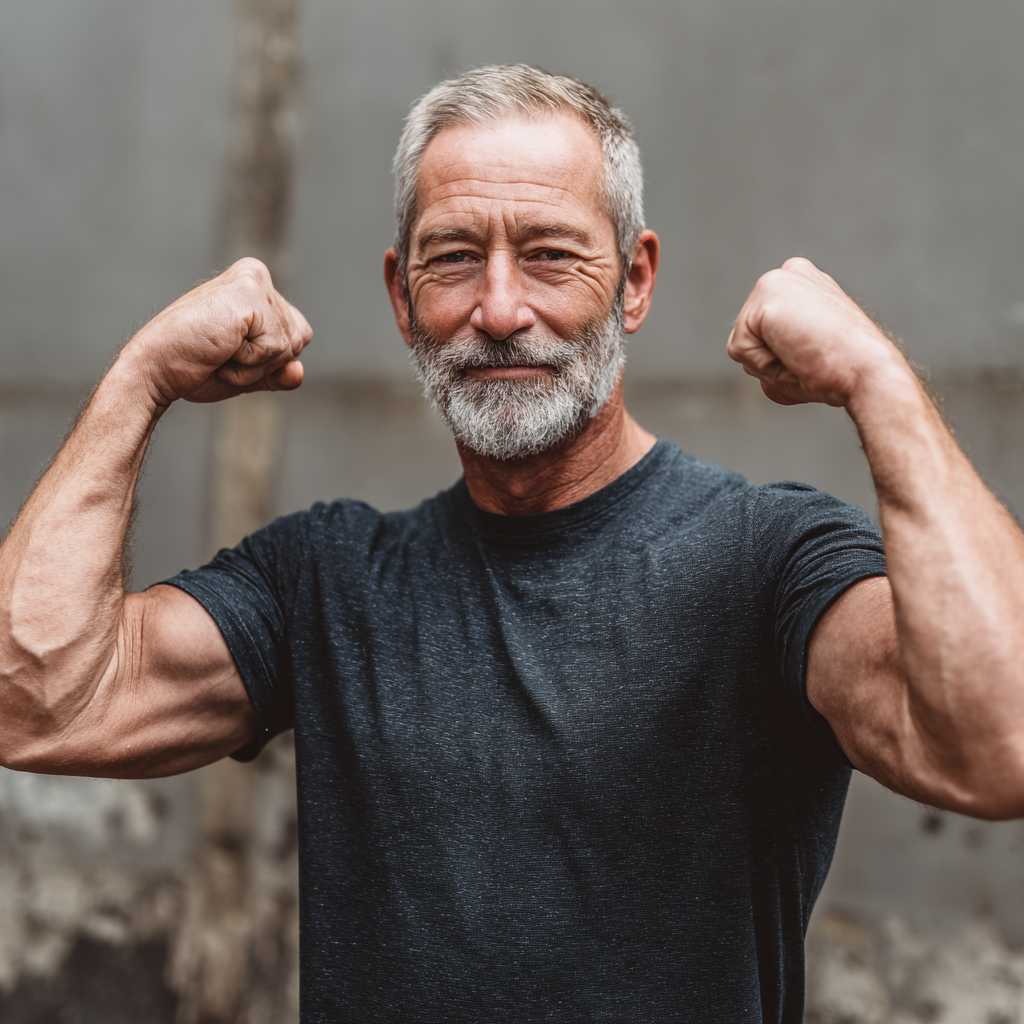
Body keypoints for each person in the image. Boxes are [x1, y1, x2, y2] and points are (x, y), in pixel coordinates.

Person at [1, 64, 1022, 1022]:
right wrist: (139, 380)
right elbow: (35, 699)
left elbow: (997, 740)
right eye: (454, 259)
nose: (497, 309)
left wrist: (879, 382)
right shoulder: (324, 583)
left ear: (632, 279)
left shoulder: (771, 564)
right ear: (403, 298)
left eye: (548, 254)